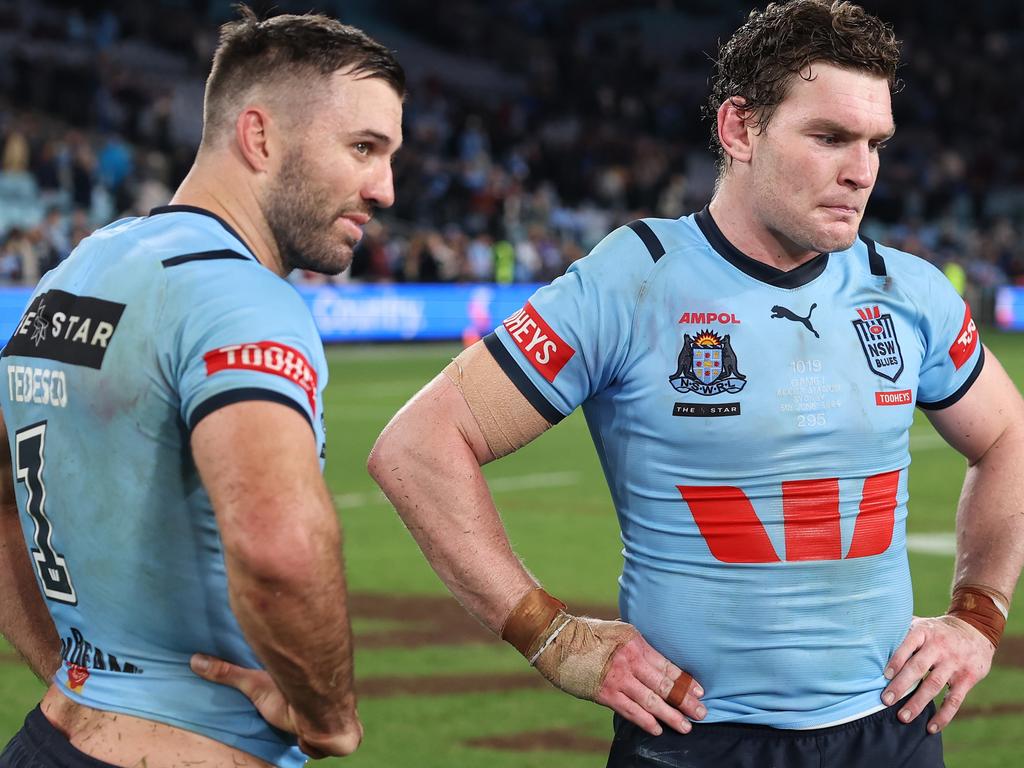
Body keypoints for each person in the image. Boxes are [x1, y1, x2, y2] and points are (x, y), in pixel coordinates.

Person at [361, 2, 1023, 767]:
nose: (862, 170)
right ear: (740, 129)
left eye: (876, 142)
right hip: (694, 742)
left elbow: (1006, 436)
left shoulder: (907, 292)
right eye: (830, 136)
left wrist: (978, 615)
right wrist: (551, 635)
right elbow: (416, 446)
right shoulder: (632, 281)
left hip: (890, 734)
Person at [0, 6, 403, 768]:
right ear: (259, 137)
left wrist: (66, 664)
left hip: (50, 739)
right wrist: (328, 712)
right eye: (362, 148)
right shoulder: (242, 299)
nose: (383, 188)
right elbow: (280, 545)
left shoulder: (79, 269)